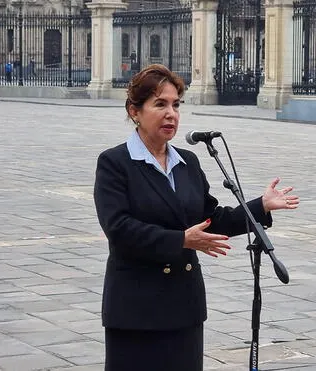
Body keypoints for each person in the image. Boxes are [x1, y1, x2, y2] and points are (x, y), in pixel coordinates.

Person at [93, 64, 299, 371]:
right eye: (160, 104)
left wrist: (261, 206)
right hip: (136, 308)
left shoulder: (187, 161)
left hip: (183, 305)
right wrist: (181, 240)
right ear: (134, 111)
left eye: (176, 105)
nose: (171, 114)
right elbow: (119, 230)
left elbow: (209, 219)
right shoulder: (115, 163)